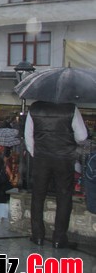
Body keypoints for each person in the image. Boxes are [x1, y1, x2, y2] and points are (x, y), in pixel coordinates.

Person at [25, 100, 88, 248]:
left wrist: (36, 153)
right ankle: (59, 238)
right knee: (64, 197)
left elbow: (28, 135)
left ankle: (38, 235)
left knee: (38, 196)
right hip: (64, 158)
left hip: (41, 158)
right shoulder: (70, 108)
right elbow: (82, 136)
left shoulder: (35, 108)